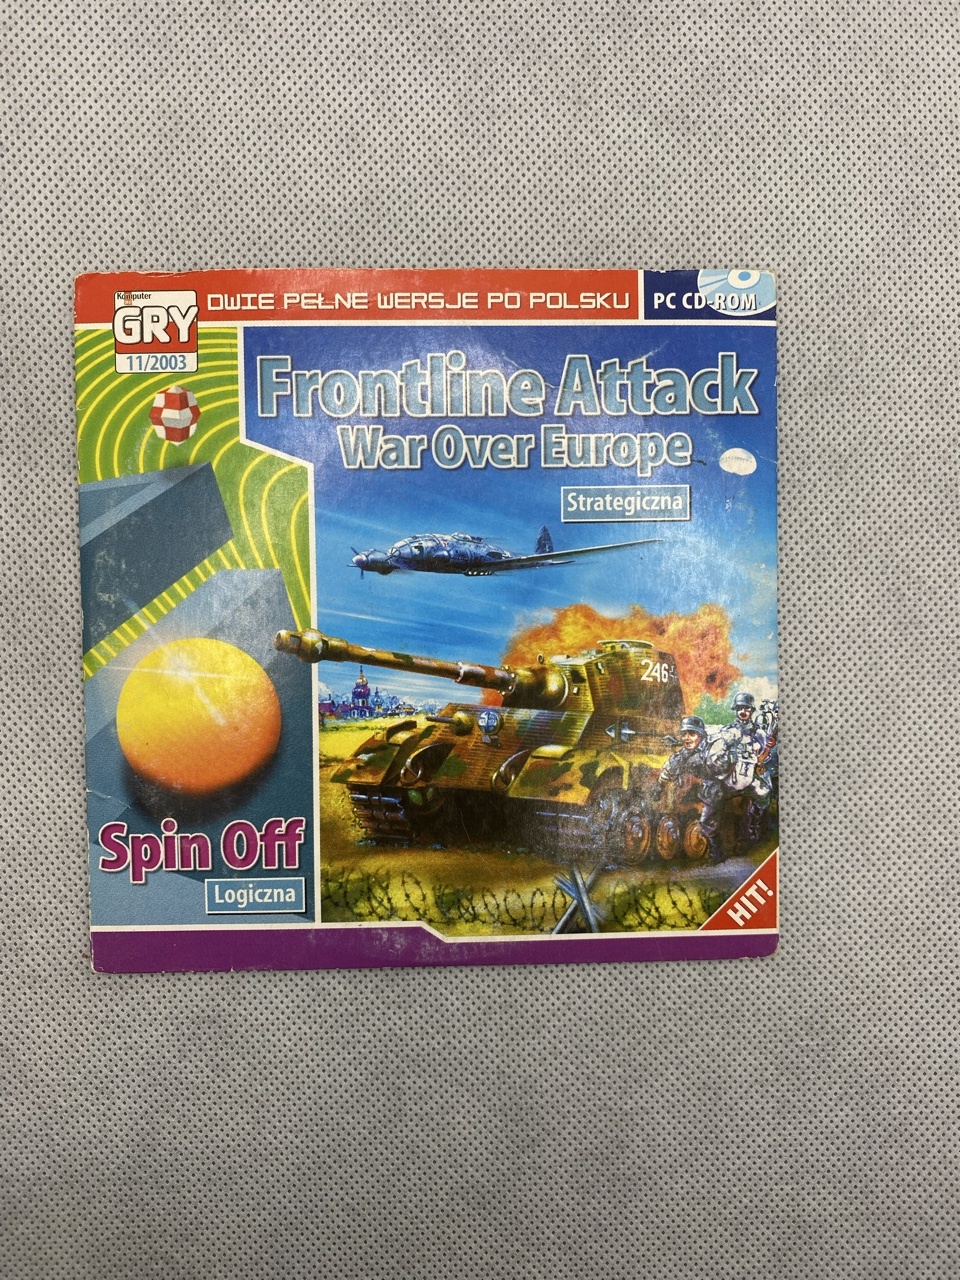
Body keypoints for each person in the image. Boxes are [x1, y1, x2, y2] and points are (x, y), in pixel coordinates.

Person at [653, 715, 729, 861]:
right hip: (698, 790)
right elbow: (670, 769)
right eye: (684, 734)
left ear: (701, 735)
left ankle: (717, 852)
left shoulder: (712, 752)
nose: (687, 738)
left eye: (692, 734)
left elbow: (721, 773)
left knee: (708, 818)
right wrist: (660, 784)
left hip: (717, 789)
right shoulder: (683, 754)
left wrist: (698, 776)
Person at [713, 691, 772, 843]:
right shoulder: (728, 731)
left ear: (751, 710)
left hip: (750, 775)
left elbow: (765, 755)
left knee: (764, 792)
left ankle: (753, 824)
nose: (743, 711)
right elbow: (718, 751)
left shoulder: (759, 733)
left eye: (746, 708)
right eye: (739, 708)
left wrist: (761, 761)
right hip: (731, 775)